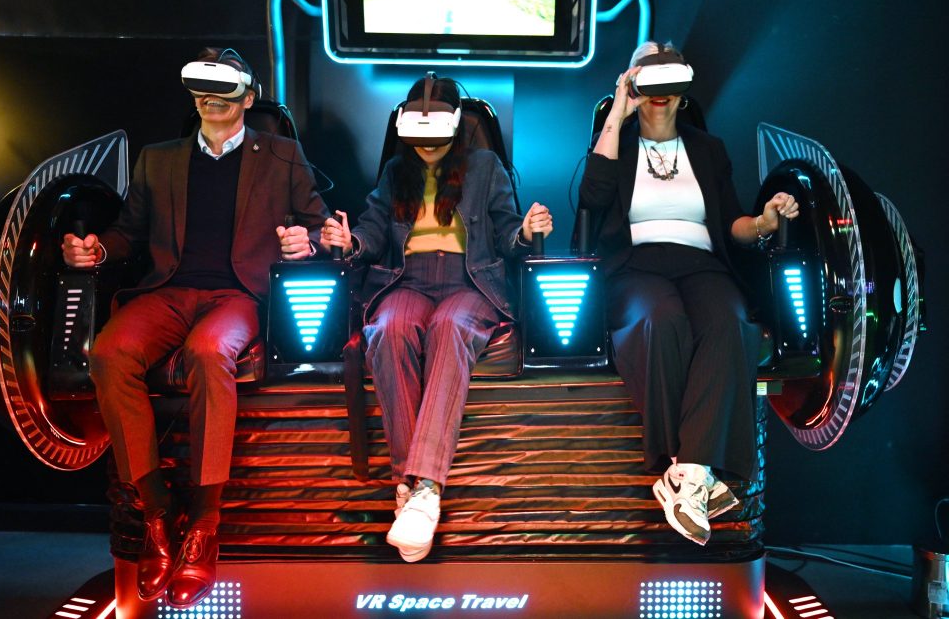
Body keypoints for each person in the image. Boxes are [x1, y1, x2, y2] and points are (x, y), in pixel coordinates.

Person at [61, 47, 329, 607]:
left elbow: (317, 224)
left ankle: (204, 525)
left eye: (223, 91)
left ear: (247, 99)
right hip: (170, 290)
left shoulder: (282, 155)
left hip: (240, 293)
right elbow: (129, 233)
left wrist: (304, 243)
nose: (211, 100)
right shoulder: (159, 159)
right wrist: (97, 250)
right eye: (202, 91)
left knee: (209, 351)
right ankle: (157, 515)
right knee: (109, 353)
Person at [321, 75, 553, 562]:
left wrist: (527, 231)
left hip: (469, 280)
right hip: (406, 278)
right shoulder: (395, 172)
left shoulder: (485, 166)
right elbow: (371, 231)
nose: (426, 147)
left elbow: (507, 232)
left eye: (436, 137)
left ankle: (423, 488)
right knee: (388, 329)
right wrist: (350, 242)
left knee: (451, 328)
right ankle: (413, 491)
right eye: (418, 137)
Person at [579, 41, 798, 546]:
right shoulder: (617, 144)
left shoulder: (707, 148)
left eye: (668, 82)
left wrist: (764, 222)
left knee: (730, 322)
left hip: (701, 262)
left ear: (682, 92)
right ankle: (694, 473)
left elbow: (732, 222)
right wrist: (618, 109)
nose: (659, 92)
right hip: (636, 264)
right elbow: (591, 197)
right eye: (647, 81)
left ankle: (686, 474)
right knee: (659, 319)